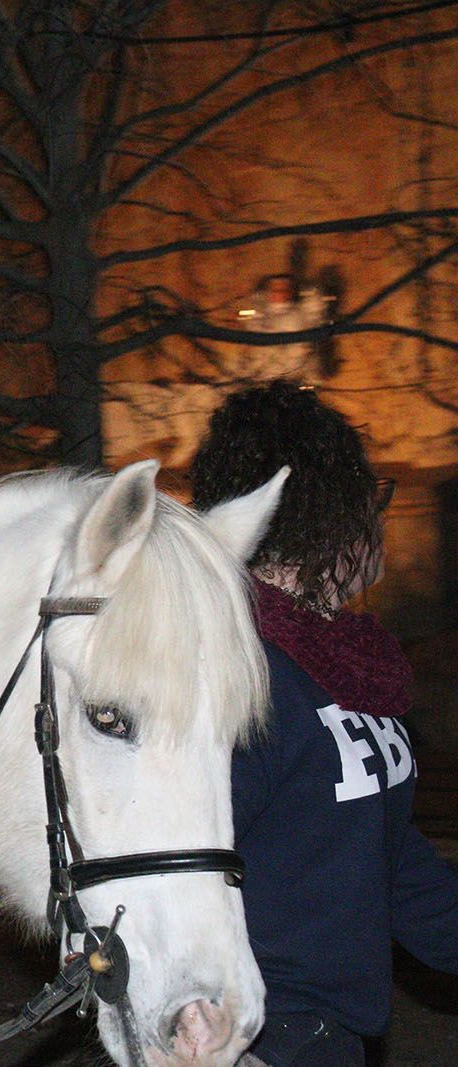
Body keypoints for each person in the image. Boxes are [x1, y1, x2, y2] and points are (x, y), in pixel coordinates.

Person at [190, 382, 458, 1067]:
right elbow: (179, 872)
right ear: (331, 517)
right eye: (373, 498)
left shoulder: (341, 663)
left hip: (335, 1036)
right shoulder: (240, 676)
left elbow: (386, 854)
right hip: (266, 1037)